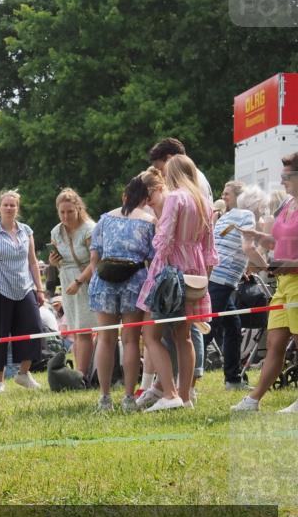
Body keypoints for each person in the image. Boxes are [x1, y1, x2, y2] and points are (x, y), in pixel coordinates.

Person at [136, 160, 217, 411]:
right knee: (185, 337)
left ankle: (170, 394)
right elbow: (210, 249)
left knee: (151, 335)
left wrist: (156, 260)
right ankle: (185, 396)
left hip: (170, 270)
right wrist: (204, 278)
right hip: (195, 269)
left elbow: (165, 240)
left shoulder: (175, 198)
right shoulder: (204, 201)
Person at [233, 153, 298, 413]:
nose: (282, 181)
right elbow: (279, 243)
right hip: (283, 283)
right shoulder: (287, 204)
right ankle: (253, 400)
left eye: (287, 176)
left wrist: (290, 264)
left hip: (296, 281)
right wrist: (258, 236)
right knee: (274, 343)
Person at [88, 175, 156, 411]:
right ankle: (128, 397)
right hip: (134, 282)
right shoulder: (149, 222)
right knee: (130, 340)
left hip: (105, 281)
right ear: (146, 199)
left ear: (124, 196)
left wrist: (97, 276)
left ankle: (104, 397)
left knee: (105, 339)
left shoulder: (105, 219)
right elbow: (152, 259)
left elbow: (94, 255)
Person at [0, 190, 46, 393]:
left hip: (25, 287)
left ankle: (23, 373)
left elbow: (32, 261)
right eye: (5, 205)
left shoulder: (26, 231)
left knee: (34, 329)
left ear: (17, 208)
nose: (9, 208)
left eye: (12, 205)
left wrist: (39, 288)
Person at [205, 181, 257, 390]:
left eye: (227, 193)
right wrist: (265, 266)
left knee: (233, 327)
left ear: (239, 196)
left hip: (219, 277)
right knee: (207, 330)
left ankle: (233, 379)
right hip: (222, 279)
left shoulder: (228, 217)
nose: (223, 196)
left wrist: (241, 268)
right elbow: (247, 247)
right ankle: (184, 378)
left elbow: (229, 247)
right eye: (223, 193)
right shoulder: (244, 216)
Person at [49, 189, 96, 378]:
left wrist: (79, 281)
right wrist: (53, 261)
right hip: (67, 279)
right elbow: (58, 261)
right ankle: (79, 372)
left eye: (70, 211)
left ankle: (82, 375)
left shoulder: (89, 229)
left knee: (84, 330)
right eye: (62, 212)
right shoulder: (56, 231)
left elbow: (96, 261)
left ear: (78, 209)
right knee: (75, 330)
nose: (66, 216)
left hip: (86, 280)